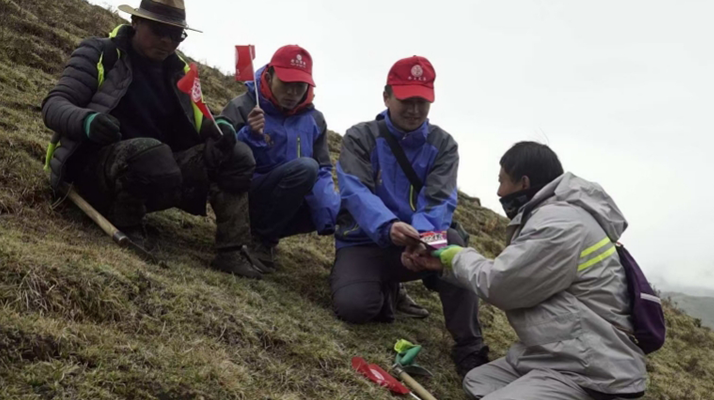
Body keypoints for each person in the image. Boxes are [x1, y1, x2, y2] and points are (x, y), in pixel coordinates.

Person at [406, 142, 648, 399]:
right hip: (560, 356)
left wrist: (457, 257)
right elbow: (516, 275)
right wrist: (445, 265)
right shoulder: (556, 215)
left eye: (502, 181)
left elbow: (502, 285)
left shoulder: (560, 224)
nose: (499, 191)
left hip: (594, 371)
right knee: (479, 381)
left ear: (523, 183)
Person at [42, 0, 265, 279]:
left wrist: (221, 127)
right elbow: (54, 105)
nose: (167, 41)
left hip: (159, 172)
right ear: (135, 22)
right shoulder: (100, 52)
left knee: (236, 154)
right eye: (159, 30)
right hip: (92, 172)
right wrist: (86, 121)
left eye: (176, 35)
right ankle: (128, 224)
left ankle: (232, 250)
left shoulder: (180, 71)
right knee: (152, 154)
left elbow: (201, 120)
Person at [331, 55, 489, 376]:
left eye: (422, 102)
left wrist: (420, 238)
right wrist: (387, 226)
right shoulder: (360, 137)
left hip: (417, 242)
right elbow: (355, 191)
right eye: (406, 100)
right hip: (364, 241)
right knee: (354, 307)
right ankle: (385, 290)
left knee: (454, 245)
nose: (415, 110)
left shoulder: (443, 145)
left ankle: (470, 346)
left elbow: (440, 199)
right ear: (386, 97)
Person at [221, 45, 340, 272]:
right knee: (306, 168)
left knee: (332, 203)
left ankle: (264, 240)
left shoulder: (315, 119)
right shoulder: (243, 105)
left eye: (300, 86)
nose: (292, 92)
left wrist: (329, 211)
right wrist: (249, 135)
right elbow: (221, 154)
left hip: (286, 199)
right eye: (286, 83)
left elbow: (323, 169)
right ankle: (259, 241)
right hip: (245, 196)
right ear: (269, 77)